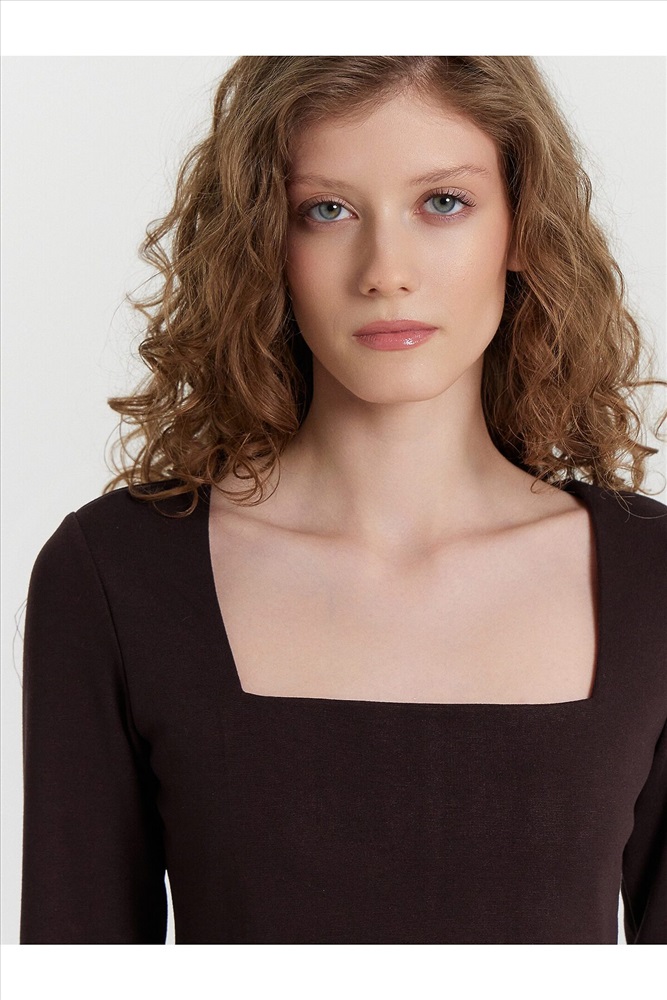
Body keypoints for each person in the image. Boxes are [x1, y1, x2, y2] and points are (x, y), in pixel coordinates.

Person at [20, 56, 666, 944]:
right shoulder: (117, 574)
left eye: (443, 202)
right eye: (326, 210)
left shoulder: (650, 578)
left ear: (521, 227)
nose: (384, 271)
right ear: (265, 240)